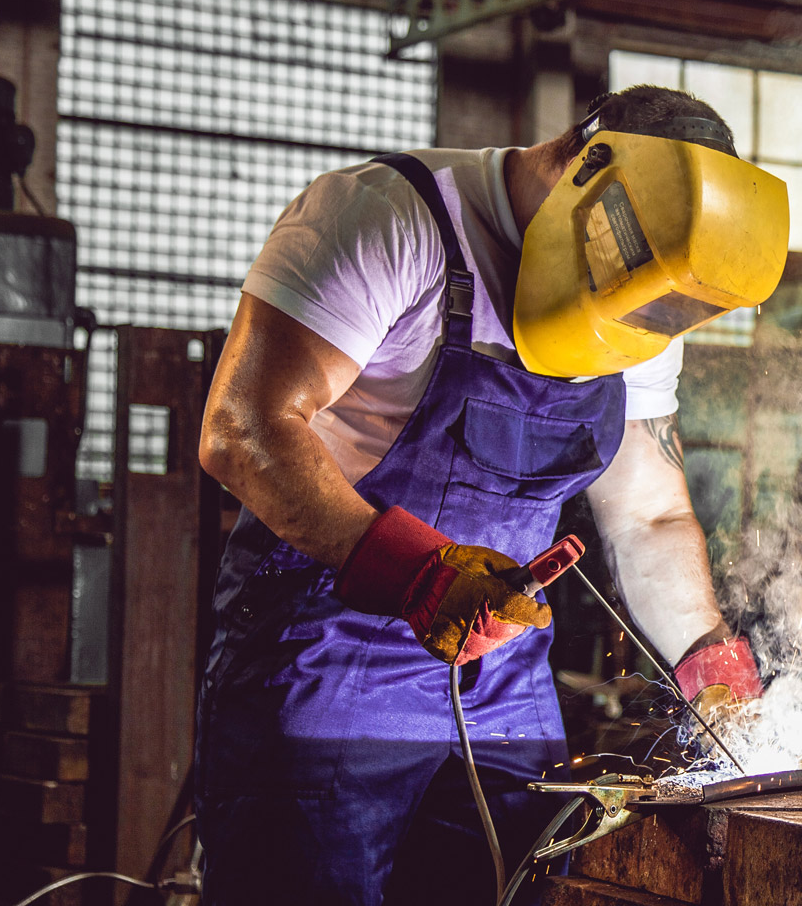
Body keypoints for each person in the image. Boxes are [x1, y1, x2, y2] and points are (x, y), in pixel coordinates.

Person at [195, 86, 773, 905]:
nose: (634, 330)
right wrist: (416, 573)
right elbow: (245, 428)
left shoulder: (640, 294)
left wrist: (712, 666)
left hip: (504, 691)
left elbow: (648, 509)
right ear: (586, 173)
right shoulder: (390, 220)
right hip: (326, 671)